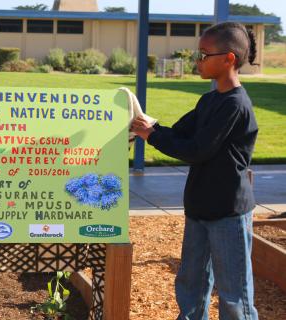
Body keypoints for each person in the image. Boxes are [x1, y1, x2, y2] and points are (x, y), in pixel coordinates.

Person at [132, 22, 259, 319]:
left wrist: (153, 135)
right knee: (191, 285)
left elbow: (196, 149)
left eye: (203, 54)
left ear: (229, 59)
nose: (197, 61)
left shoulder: (236, 105)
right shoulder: (209, 100)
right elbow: (178, 134)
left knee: (233, 296)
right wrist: (149, 127)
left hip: (229, 213)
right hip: (200, 209)